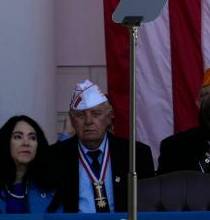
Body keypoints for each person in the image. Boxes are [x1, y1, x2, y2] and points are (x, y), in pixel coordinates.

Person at [49, 80, 154, 212]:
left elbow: (149, 207)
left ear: (109, 117)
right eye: (80, 115)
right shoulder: (55, 156)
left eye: (96, 113)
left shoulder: (135, 154)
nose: (88, 121)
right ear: (72, 119)